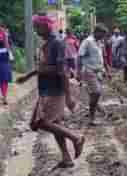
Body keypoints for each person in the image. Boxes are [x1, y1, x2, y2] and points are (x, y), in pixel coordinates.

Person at [16, 14, 85, 168]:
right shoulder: (47, 44)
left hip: (54, 90)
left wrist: (68, 97)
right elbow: (44, 66)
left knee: (40, 122)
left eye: (37, 27)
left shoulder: (57, 44)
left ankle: (76, 138)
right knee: (54, 124)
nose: (35, 30)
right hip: (46, 89)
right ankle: (66, 158)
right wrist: (28, 75)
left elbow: (62, 71)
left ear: (46, 26)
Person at [78, 24, 111, 125]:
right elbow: (79, 56)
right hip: (89, 71)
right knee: (96, 92)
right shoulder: (87, 42)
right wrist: (77, 72)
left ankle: (97, 111)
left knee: (94, 94)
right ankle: (92, 117)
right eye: (102, 34)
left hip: (99, 72)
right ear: (97, 32)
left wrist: (107, 70)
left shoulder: (99, 42)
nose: (103, 37)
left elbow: (102, 57)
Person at [0, 38, 12, 105]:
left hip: (4, 60)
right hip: (4, 60)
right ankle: (4, 97)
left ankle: (4, 97)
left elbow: (9, 45)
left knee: (4, 80)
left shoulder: (5, 33)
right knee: (4, 80)